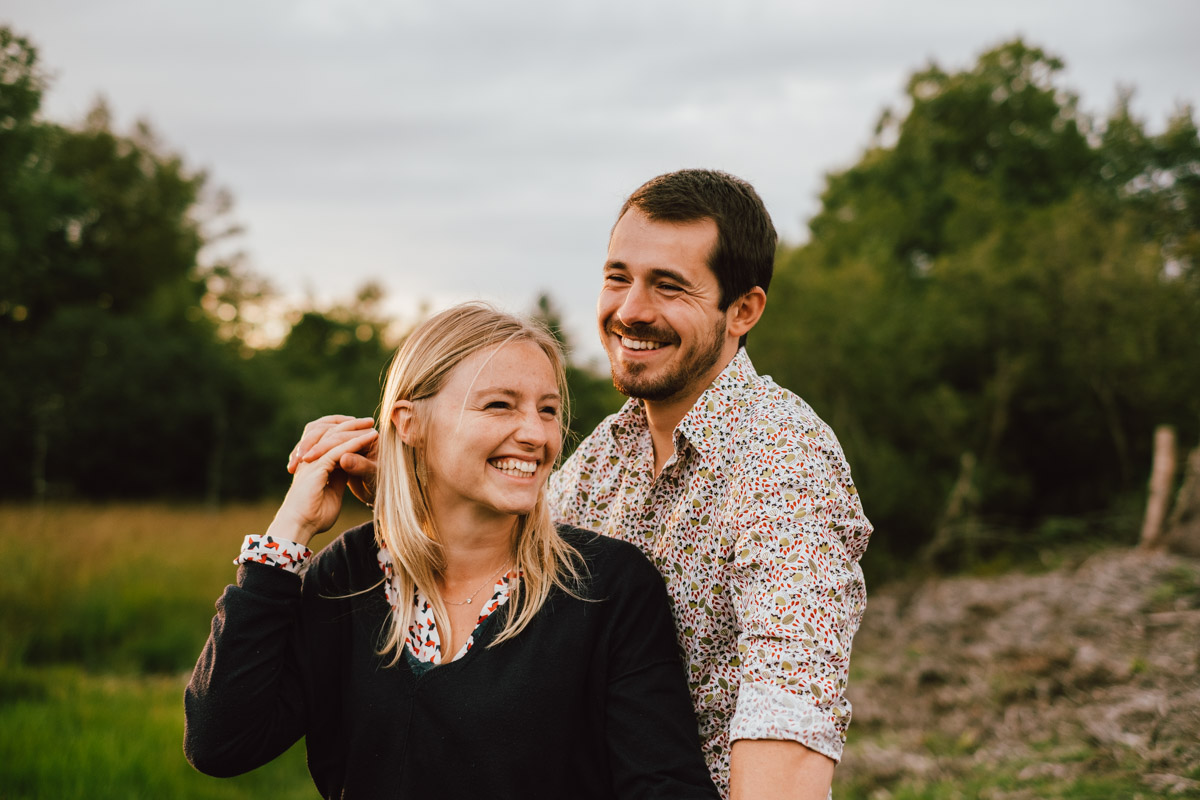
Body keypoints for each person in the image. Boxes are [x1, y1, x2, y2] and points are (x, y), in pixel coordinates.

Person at [292, 169, 872, 799]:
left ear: (743, 311)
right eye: (618, 276)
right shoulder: (604, 456)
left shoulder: (784, 461)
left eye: (669, 287)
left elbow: (789, 709)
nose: (630, 310)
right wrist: (406, 474)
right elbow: (510, 539)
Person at [184, 303, 720, 800]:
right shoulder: (349, 576)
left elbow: (665, 787)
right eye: (499, 405)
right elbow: (220, 743)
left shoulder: (607, 587)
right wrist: (288, 532)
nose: (536, 433)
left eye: (549, 410)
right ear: (409, 423)